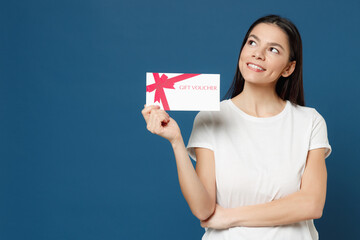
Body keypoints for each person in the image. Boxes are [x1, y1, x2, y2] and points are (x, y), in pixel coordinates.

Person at [141, 14, 332, 240]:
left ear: (288, 68)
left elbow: (311, 204)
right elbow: (203, 210)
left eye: (273, 50)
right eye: (252, 42)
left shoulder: (309, 121)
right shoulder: (210, 117)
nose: (257, 54)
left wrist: (230, 217)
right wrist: (176, 141)